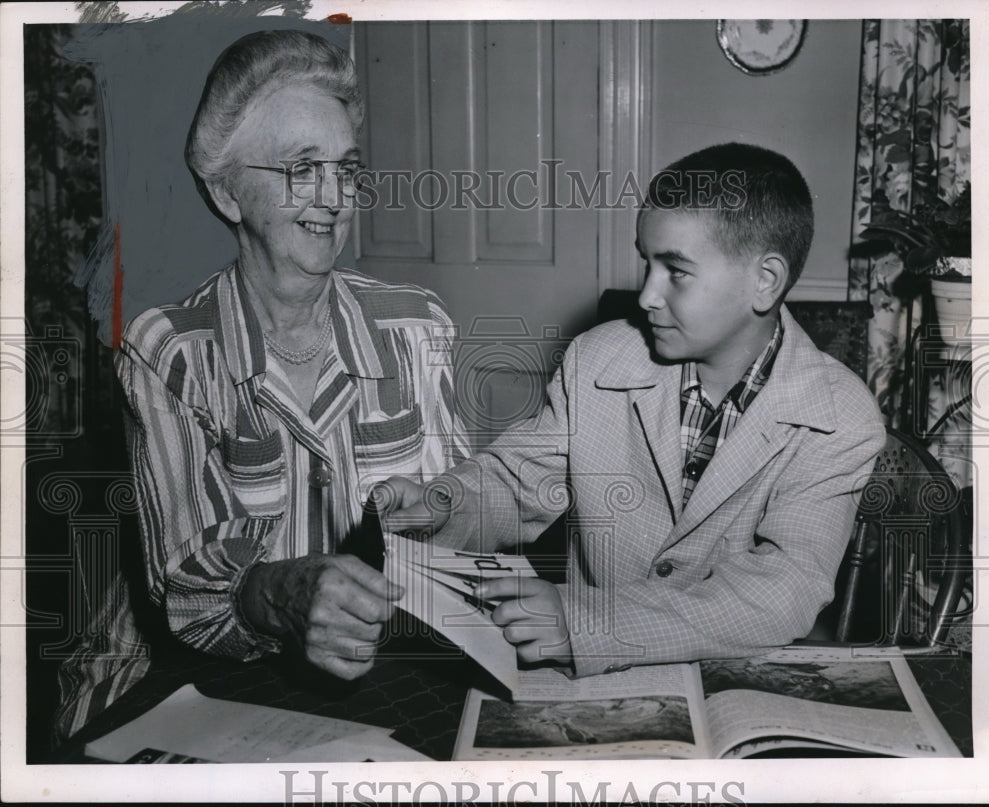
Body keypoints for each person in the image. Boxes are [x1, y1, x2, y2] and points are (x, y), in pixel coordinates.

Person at [54, 29, 469, 741]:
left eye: (346, 167)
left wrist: (443, 512)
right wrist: (283, 593)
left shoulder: (416, 327)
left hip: (386, 665)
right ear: (225, 192)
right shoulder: (169, 352)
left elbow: (462, 536)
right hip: (204, 677)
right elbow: (190, 596)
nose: (334, 197)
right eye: (301, 168)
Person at [383, 143, 885, 678]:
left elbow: (782, 590)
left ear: (764, 282)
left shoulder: (842, 416)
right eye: (648, 263)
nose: (646, 294)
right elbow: (516, 485)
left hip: (732, 684)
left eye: (676, 271)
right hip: (591, 683)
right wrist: (440, 506)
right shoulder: (597, 359)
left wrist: (588, 623)